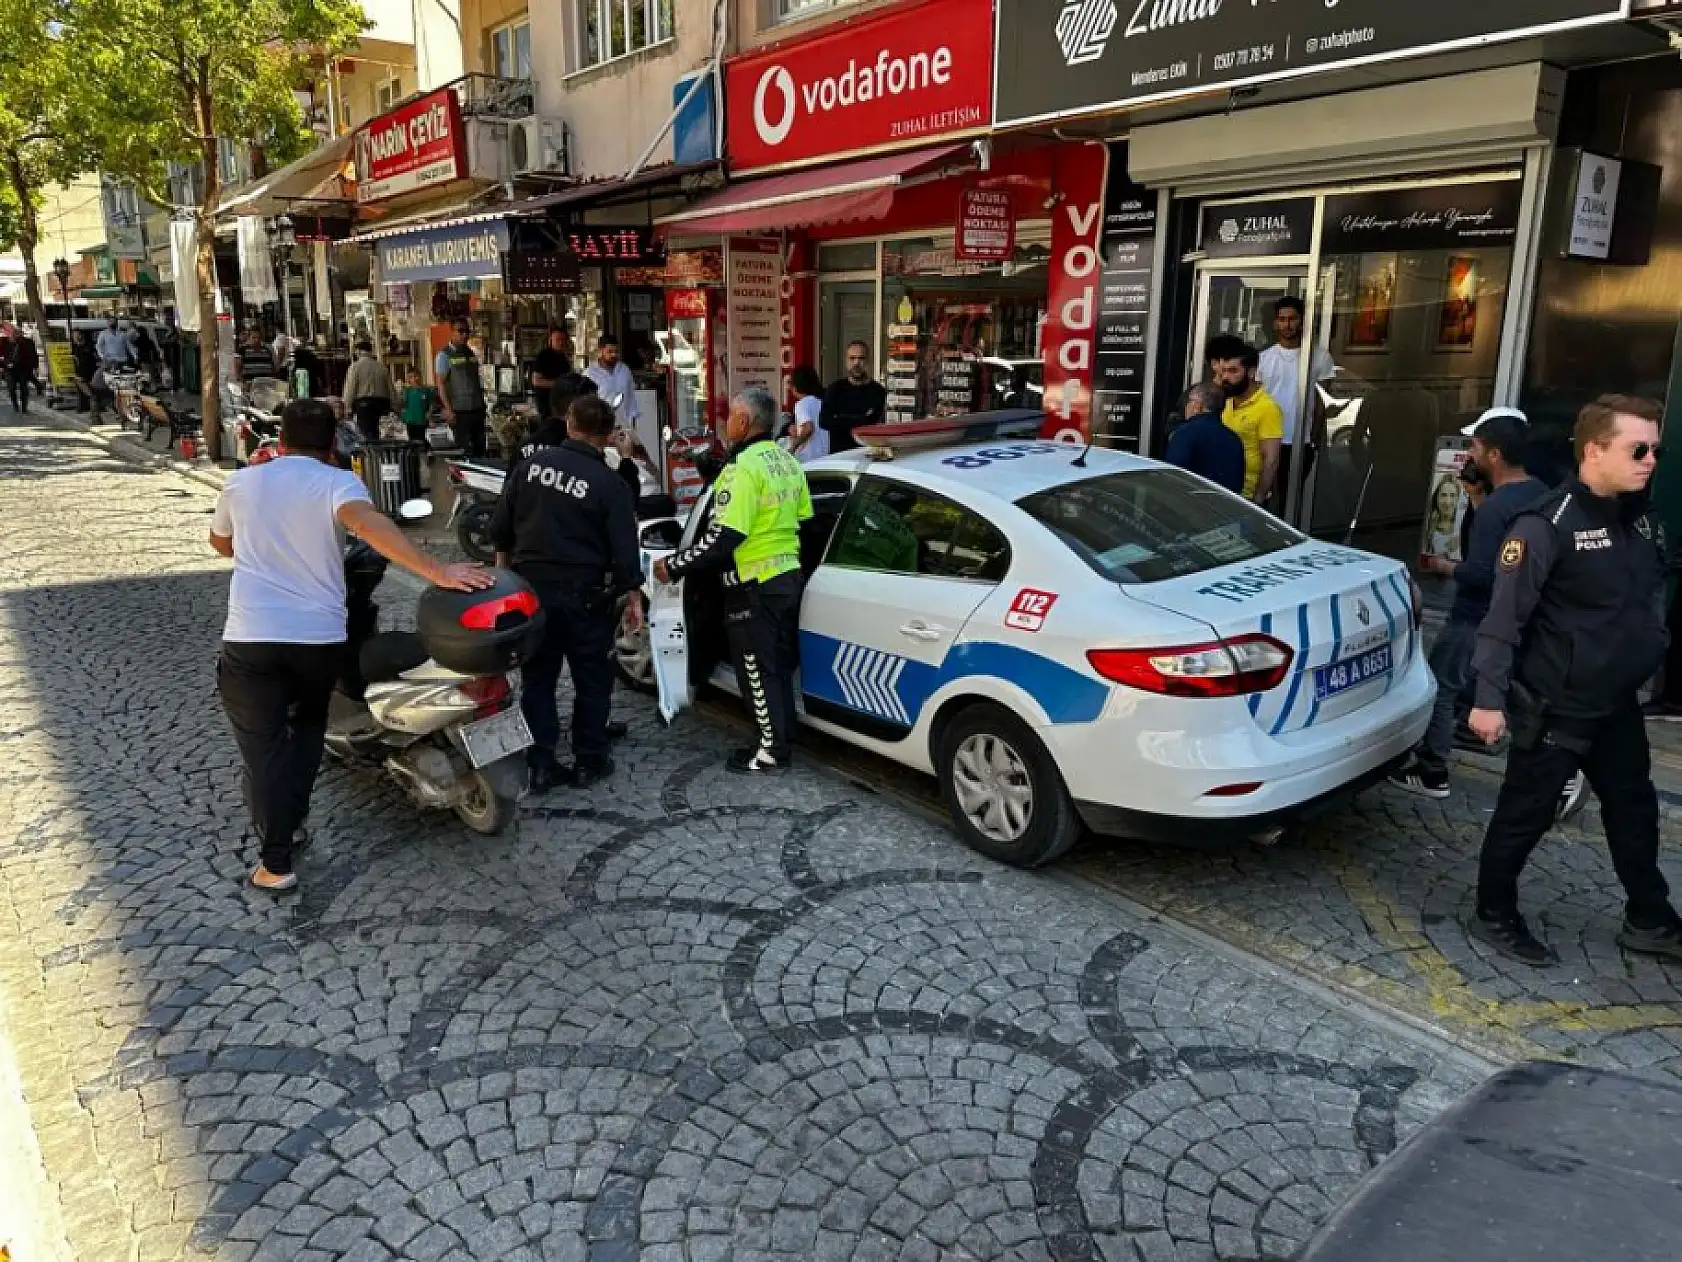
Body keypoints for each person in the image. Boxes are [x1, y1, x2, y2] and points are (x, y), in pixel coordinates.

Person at [209, 399, 492, 892]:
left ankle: (276, 860)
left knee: (264, 748)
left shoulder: (243, 482)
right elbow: (367, 524)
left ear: (281, 440)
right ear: (332, 443)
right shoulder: (336, 482)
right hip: (317, 639)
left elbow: (222, 544)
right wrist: (438, 571)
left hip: (251, 637)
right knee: (306, 731)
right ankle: (287, 829)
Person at [1467, 395, 1682, 966]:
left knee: (1634, 810)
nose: (1650, 461)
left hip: (1614, 703)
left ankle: (1650, 918)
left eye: (1655, 449)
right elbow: (1501, 621)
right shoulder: (1545, 524)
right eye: (1638, 449)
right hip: (1555, 704)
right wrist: (1488, 701)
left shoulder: (1643, 518)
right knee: (1526, 813)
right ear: (1594, 450)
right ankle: (1493, 912)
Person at [490, 394, 643, 794]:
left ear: (570, 423)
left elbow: (500, 531)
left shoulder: (528, 468)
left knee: (538, 678)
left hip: (531, 591)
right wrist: (632, 595)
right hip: (586, 595)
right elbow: (625, 554)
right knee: (592, 680)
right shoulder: (610, 484)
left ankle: (541, 761)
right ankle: (589, 759)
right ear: (608, 435)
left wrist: (504, 582)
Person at [655, 387, 813, 775]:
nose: (726, 423)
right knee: (775, 664)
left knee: (755, 672)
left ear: (744, 422)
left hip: (752, 584)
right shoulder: (787, 461)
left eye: (730, 416)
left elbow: (723, 538)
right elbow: (806, 521)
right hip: (786, 577)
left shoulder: (741, 469)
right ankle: (782, 734)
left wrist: (675, 564)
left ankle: (771, 751)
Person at [1390, 411, 1547, 799]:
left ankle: (1432, 770)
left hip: (1477, 615)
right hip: (1521, 613)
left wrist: (1444, 566)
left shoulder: (1499, 507)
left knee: (1442, 684)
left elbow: (1482, 571)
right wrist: (1477, 498)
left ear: (1493, 454)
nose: (1468, 454)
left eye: (1474, 446)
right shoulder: (1539, 492)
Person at [1256, 296, 1336, 510]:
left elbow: (1322, 401)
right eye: (1282, 319)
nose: (1287, 324)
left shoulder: (1319, 357)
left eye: (1292, 319)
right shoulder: (1263, 359)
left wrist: (1315, 436)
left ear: (1302, 322)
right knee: (1262, 496)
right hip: (1266, 438)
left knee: (1290, 502)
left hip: (1301, 440)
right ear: (1275, 323)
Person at [1206, 335, 1284, 505]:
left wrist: (1258, 498)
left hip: (1246, 497)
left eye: (1233, 371)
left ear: (1250, 372)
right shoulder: (1224, 401)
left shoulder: (1267, 407)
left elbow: (1271, 459)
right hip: (1219, 490)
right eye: (1223, 370)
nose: (1225, 377)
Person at [1164, 381, 1246, 495]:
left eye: (1188, 401)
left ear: (1197, 406)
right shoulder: (1234, 439)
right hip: (1225, 508)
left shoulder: (1184, 433)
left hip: (1191, 506)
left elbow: (1171, 477)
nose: (1186, 406)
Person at [820, 341, 886, 454]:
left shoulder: (877, 390)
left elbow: (874, 422)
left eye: (861, 358)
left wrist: (840, 418)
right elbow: (824, 421)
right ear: (846, 361)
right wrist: (861, 419)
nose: (856, 363)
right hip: (840, 457)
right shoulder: (835, 389)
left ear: (868, 361)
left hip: (868, 454)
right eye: (852, 358)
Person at [435, 319, 488, 459]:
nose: (464, 335)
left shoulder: (470, 353)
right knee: (465, 451)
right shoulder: (444, 356)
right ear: (452, 332)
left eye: (467, 332)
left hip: (476, 409)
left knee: (480, 449)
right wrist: (449, 410)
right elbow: (440, 384)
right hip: (459, 412)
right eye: (461, 331)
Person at [583, 334, 640, 433]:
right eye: (610, 352)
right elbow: (585, 402)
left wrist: (633, 420)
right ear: (600, 351)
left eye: (616, 351)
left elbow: (631, 396)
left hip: (623, 425)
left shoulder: (624, 370)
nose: (614, 355)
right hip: (600, 426)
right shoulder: (589, 373)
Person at [342, 341, 395, 442]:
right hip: (381, 404)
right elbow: (390, 387)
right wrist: (395, 406)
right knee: (376, 430)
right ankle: (375, 450)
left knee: (364, 432)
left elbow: (350, 388)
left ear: (358, 351)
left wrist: (346, 407)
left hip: (364, 404)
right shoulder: (381, 367)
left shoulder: (355, 367)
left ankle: (369, 454)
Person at [783, 365, 830, 464]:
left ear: (795, 387)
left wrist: (793, 446)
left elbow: (808, 427)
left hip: (808, 459)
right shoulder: (821, 402)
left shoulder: (802, 404)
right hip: (824, 457)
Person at [529, 326, 573, 421]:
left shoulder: (563, 358)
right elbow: (536, 381)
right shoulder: (544, 356)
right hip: (547, 405)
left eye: (563, 340)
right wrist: (559, 384)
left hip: (561, 405)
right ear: (550, 341)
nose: (561, 343)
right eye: (558, 340)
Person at [400, 368, 434, 442]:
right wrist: (403, 417)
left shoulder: (426, 390)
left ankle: (424, 451)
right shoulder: (407, 391)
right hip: (410, 420)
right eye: (411, 377)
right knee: (412, 440)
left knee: (421, 439)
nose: (414, 379)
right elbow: (403, 405)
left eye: (416, 376)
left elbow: (431, 404)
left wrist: (430, 416)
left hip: (421, 420)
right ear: (409, 379)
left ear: (420, 376)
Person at [71, 329, 100, 418]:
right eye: (73, 336)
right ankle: (83, 407)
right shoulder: (75, 348)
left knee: (92, 394)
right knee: (83, 392)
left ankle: (94, 414)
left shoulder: (89, 347)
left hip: (90, 373)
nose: (74, 338)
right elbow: (76, 361)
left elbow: (95, 359)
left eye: (76, 335)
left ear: (81, 335)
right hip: (80, 374)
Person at [8, 332, 39, 412]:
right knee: (11, 389)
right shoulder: (10, 343)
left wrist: (35, 367)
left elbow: (34, 354)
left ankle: (24, 407)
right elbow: (6, 355)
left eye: (18, 334)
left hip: (24, 369)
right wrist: (7, 363)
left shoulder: (28, 342)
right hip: (12, 370)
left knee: (24, 389)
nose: (16, 336)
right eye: (15, 335)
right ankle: (15, 405)